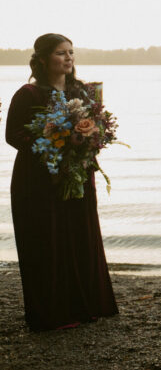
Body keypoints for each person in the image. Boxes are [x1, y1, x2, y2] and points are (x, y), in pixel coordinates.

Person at [5, 33, 118, 331]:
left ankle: (87, 305)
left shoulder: (83, 91)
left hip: (78, 174)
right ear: (43, 59)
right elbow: (13, 135)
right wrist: (54, 141)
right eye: (60, 53)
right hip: (38, 180)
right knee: (47, 241)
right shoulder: (28, 94)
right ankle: (52, 314)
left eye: (71, 52)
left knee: (81, 236)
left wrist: (88, 141)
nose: (68, 58)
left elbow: (99, 130)